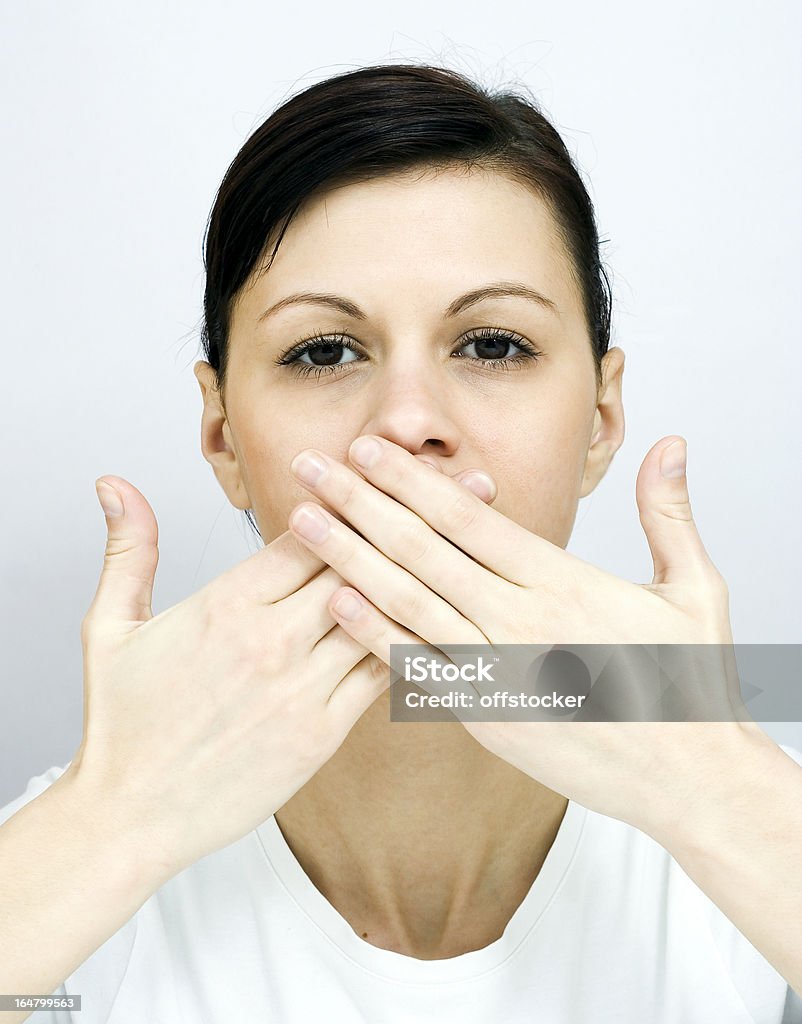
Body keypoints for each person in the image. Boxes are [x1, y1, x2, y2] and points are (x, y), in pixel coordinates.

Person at [1, 63, 800, 1024]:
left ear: (600, 416)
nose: (409, 422)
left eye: (494, 344)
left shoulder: (733, 825)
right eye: (324, 352)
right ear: (223, 439)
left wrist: (716, 781)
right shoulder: (74, 850)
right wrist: (113, 816)